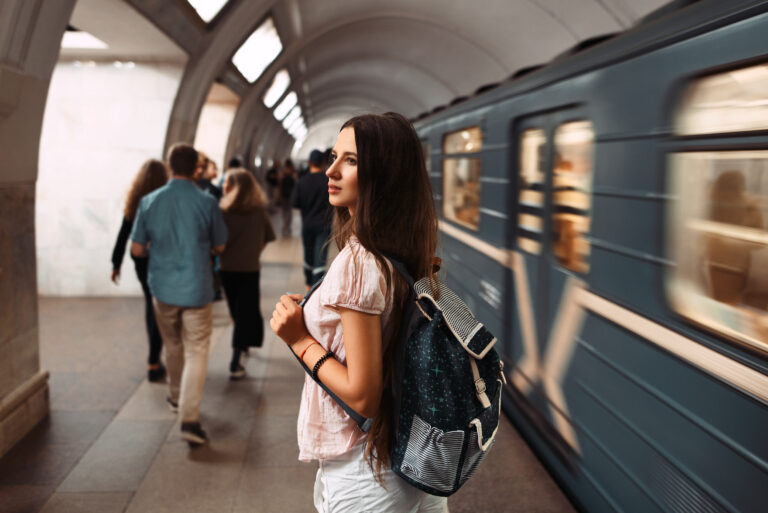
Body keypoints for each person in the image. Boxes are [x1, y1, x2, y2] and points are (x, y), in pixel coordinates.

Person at [270, 113, 447, 512]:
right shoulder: (402, 249)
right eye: (334, 156)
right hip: (406, 461)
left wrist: (299, 339)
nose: (330, 170)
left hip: (367, 470)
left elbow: (363, 395)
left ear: (382, 175)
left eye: (351, 161)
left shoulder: (360, 262)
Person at [130, 143, 228, 446]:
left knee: (172, 346)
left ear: (170, 165)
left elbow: (136, 248)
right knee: (197, 349)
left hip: (162, 288)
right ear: (196, 168)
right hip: (197, 288)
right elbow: (220, 245)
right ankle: (189, 418)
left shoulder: (149, 201)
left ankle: (174, 397)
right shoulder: (207, 201)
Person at [110, 159, 168, 382]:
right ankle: (155, 358)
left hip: (141, 262)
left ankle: (153, 358)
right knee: (160, 307)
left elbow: (123, 234)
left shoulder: (136, 201)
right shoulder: (163, 201)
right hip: (161, 259)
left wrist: (116, 264)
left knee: (149, 303)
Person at [218, 168, 276, 379]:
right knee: (245, 311)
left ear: (235, 187)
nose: (223, 186)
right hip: (250, 269)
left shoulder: (223, 213)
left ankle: (236, 356)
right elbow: (270, 236)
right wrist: (254, 250)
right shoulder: (258, 212)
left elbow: (217, 242)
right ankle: (239, 351)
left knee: (236, 312)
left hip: (227, 269)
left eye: (227, 183)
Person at [291, 149, 333, 289]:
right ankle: (317, 289)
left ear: (309, 163)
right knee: (320, 259)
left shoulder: (302, 182)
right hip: (324, 225)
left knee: (308, 256)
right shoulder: (328, 181)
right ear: (323, 163)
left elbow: (294, 203)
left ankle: (309, 286)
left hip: (307, 224)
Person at [279, 159, 297, 236]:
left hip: (289, 195)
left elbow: (295, 185)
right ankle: (286, 225)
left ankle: (287, 225)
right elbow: (280, 186)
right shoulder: (283, 175)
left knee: (288, 212)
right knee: (285, 212)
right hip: (285, 196)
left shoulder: (292, 175)